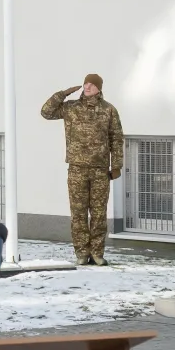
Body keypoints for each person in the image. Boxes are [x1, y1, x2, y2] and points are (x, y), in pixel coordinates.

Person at [41, 75, 123, 266]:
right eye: (86, 83)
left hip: (100, 170)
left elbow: (117, 138)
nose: (87, 86)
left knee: (98, 214)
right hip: (77, 169)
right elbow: (46, 112)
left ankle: (96, 253)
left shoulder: (108, 110)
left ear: (99, 88)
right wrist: (62, 94)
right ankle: (81, 253)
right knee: (78, 213)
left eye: (92, 84)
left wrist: (116, 165)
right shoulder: (70, 108)